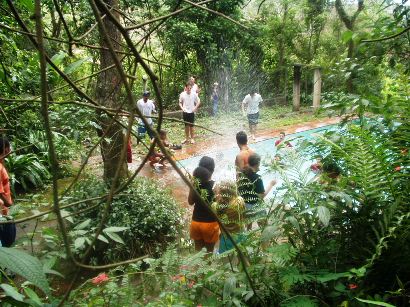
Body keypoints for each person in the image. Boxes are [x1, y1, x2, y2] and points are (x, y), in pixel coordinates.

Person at [237, 153, 276, 230]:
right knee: (264, 228)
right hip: (256, 206)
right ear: (258, 163)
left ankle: (249, 240)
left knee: (248, 228)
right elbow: (261, 196)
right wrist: (271, 184)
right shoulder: (257, 178)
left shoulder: (242, 173)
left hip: (245, 205)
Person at [188, 157, 219, 253]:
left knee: (198, 253)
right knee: (209, 253)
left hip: (195, 223)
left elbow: (190, 202)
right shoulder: (215, 186)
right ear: (212, 170)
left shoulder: (195, 184)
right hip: (210, 225)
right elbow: (219, 207)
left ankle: (197, 267)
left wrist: (192, 186)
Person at [212, 180, 246, 253]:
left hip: (226, 238)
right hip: (240, 235)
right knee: (242, 258)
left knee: (227, 261)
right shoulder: (239, 202)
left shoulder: (215, 206)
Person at [0, 137, 16, 247]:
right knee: (8, 243)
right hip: (3, 213)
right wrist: (9, 205)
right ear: (5, 149)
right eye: (9, 147)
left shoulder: (1, 164)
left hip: (4, 211)